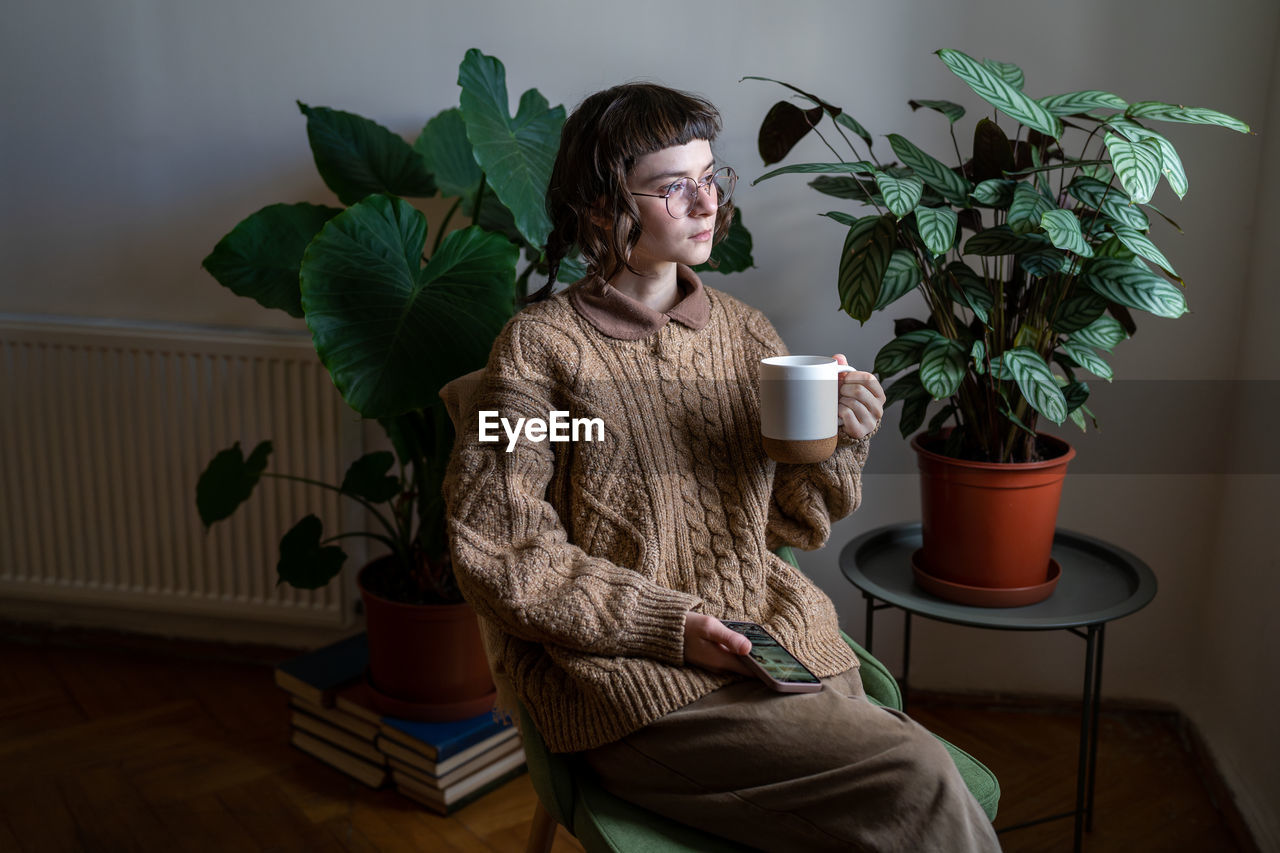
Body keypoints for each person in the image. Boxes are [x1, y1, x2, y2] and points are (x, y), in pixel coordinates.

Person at [441, 82, 1000, 852]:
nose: (707, 204)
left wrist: (838, 440)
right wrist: (675, 628)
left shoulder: (745, 334)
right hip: (641, 688)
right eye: (675, 187)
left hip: (774, 648)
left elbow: (783, 523)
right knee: (921, 779)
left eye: (711, 178)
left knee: (906, 786)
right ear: (602, 206)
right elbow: (504, 555)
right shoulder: (538, 350)